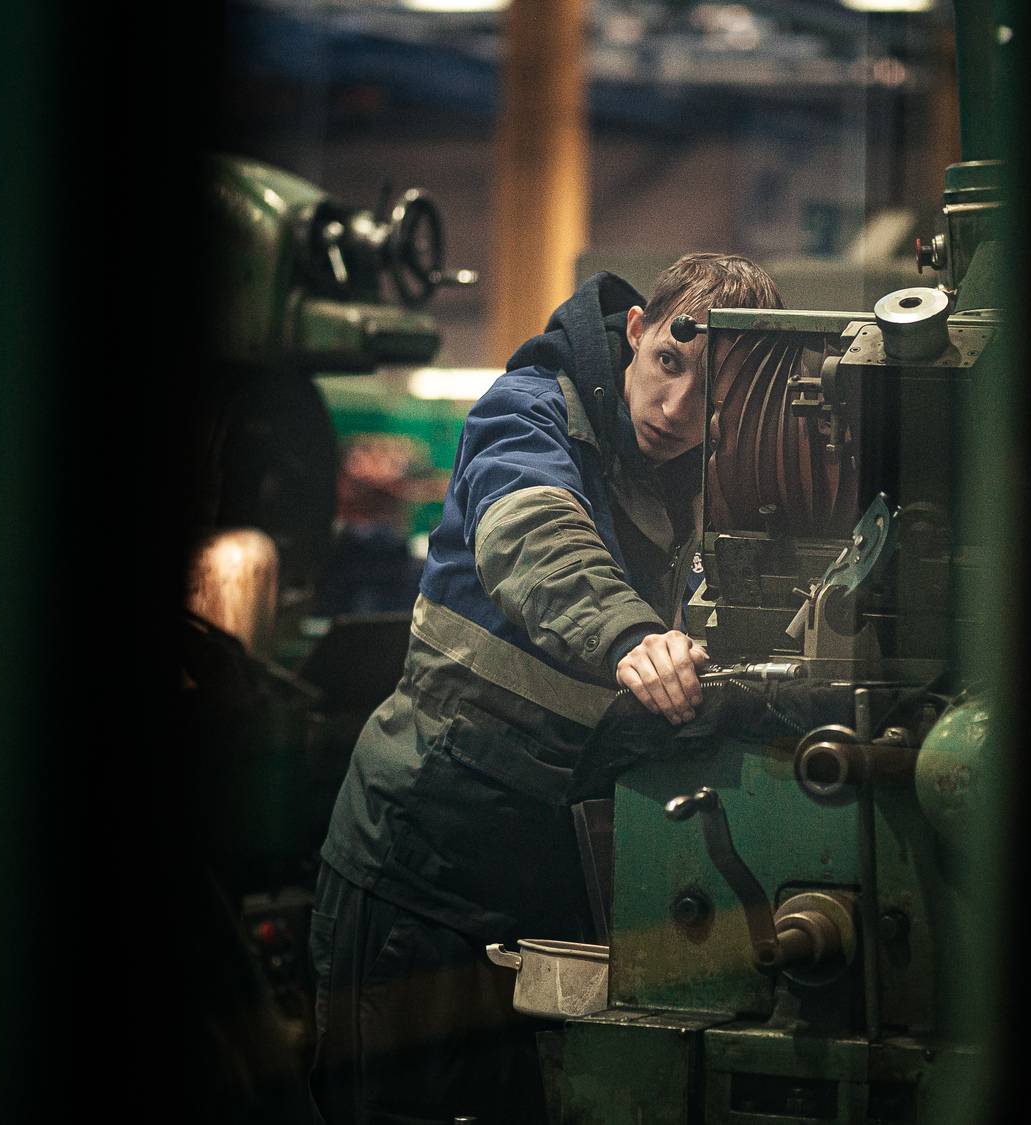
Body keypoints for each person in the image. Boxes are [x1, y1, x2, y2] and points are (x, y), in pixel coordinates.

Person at [309, 253, 783, 1123]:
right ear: (636, 331)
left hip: (544, 889)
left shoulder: (698, 485)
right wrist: (632, 636)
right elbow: (535, 533)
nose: (676, 408)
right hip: (419, 872)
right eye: (668, 363)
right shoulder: (528, 411)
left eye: (711, 392)